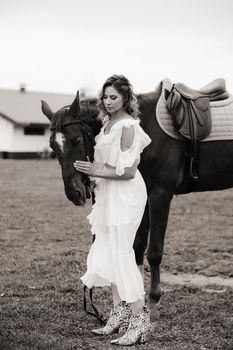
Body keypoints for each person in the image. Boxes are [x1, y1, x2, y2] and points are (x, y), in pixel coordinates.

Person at [74, 74, 152, 346]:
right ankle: (118, 315)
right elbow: (105, 164)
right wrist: (92, 175)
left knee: (123, 253)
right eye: (105, 97)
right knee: (109, 250)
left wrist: (97, 170)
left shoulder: (129, 125)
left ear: (126, 98)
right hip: (108, 193)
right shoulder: (107, 124)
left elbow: (129, 171)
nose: (108, 102)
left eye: (114, 97)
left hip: (126, 194)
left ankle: (140, 321)